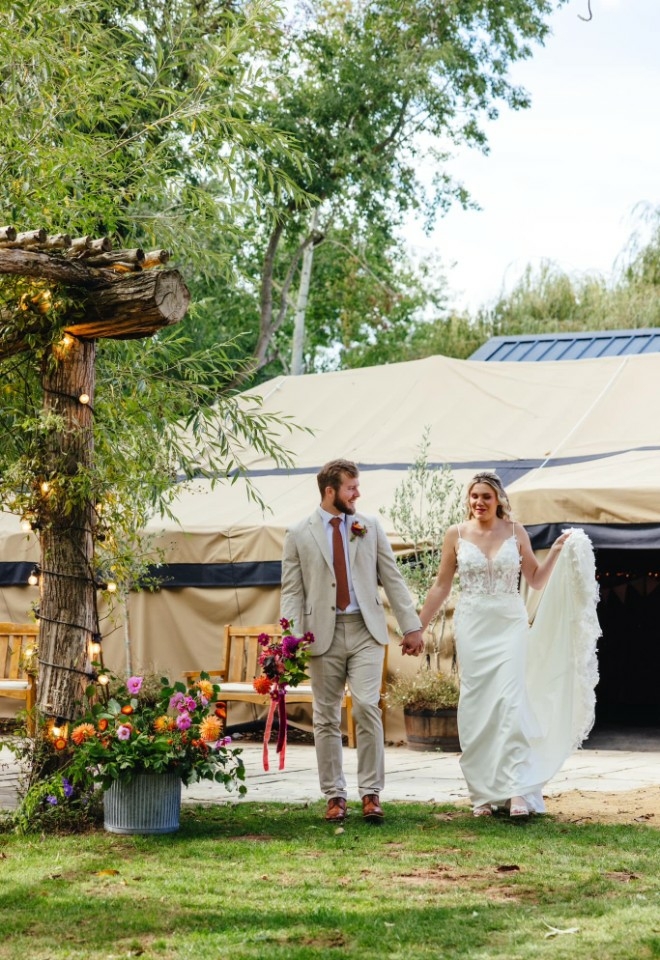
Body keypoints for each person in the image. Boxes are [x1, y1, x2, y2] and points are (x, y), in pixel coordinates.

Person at [418, 470, 599, 818]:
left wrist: (557, 551)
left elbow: (534, 578)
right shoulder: (455, 534)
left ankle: (517, 789)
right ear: (468, 501)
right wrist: (417, 628)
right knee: (476, 704)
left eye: (485, 496)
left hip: (510, 624)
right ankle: (482, 793)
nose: (479, 502)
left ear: (498, 499)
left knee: (511, 702)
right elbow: (441, 586)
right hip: (473, 625)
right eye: (474, 497)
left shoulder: (516, 533)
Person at [281, 458, 425, 824]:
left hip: (366, 630)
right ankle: (334, 795)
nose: (357, 493)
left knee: (366, 707)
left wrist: (411, 626)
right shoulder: (298, 533)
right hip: (321, 635)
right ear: (331, 492)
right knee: (326, 716)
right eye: (351, 487)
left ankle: (371, 793)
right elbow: (292, 593)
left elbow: (391, 578)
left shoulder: (369, 526)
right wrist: (290, 640)